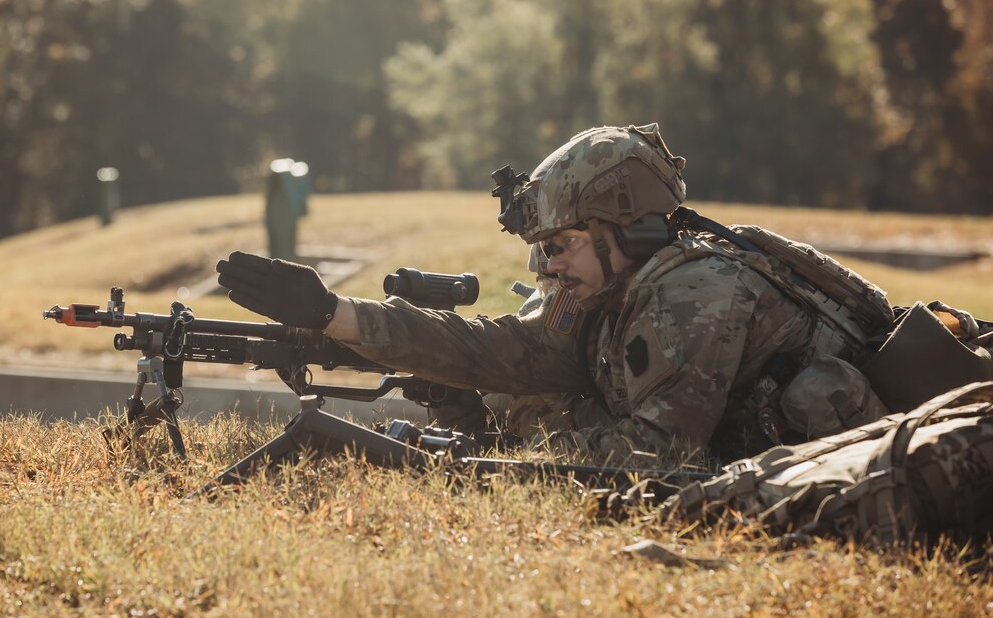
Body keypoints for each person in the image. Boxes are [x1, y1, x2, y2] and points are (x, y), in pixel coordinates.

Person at [218, 124, 894, 464]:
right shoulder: (599, 290)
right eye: (541, 248)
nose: (548, 265)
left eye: (561, 243)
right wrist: (336, 315)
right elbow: (504, 350)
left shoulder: (696, 293)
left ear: (620, 229)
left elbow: (650, 465)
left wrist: (522, 428)